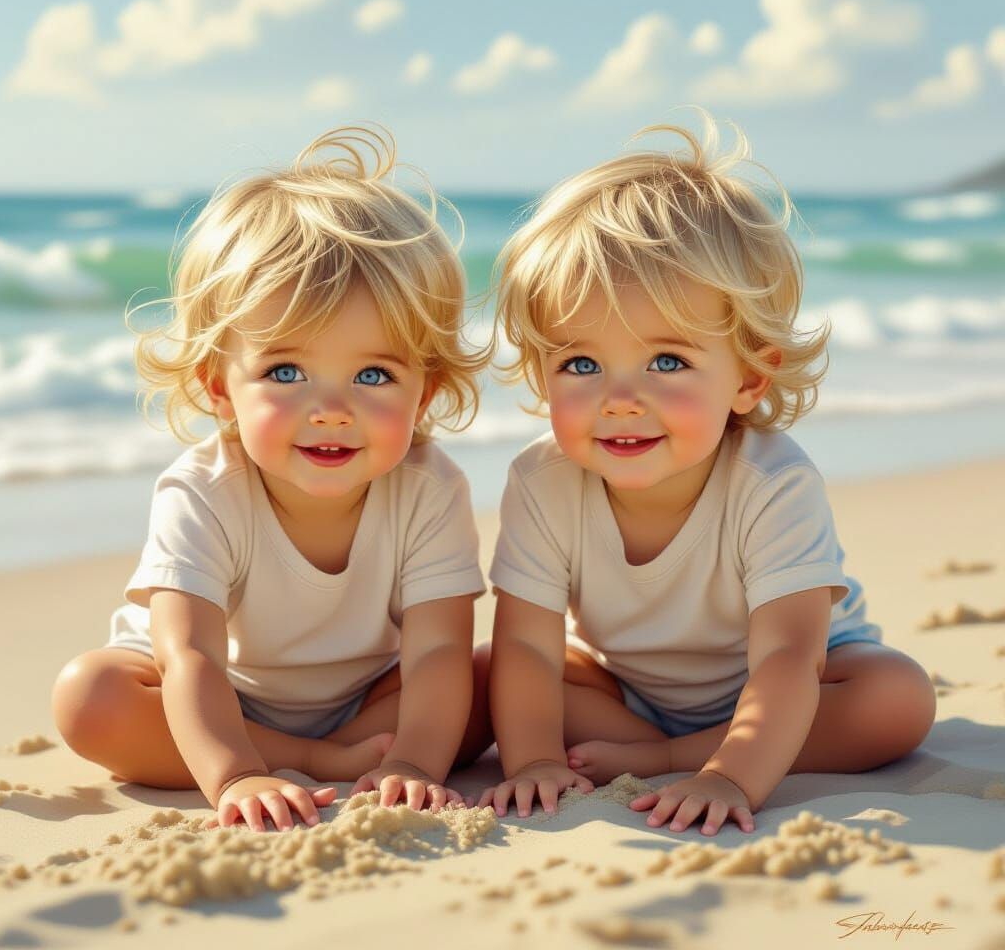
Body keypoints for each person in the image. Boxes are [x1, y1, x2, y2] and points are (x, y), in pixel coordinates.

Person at [479, 113, 936, 836]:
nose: (619, 397)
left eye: (667, 362)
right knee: (493, 669)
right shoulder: (542, 480)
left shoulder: (772, 483)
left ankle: (672, 750)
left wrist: (726, 772)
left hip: (795, 685)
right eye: (580, 363)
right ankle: (645, 740)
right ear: (541, 371)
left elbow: (789, 656)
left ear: (750, 379)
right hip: (623, 687)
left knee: (898, 699)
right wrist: (533, 758)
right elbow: (530, 644)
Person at [52, 126, 493, 831]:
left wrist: (413, 761)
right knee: (91, 697)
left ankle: (355, 750)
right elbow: (189, 653)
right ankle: (316, 757)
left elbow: (436, 649)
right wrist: (236, 775)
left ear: (427, 393)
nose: (332, 411)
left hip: (367, 697)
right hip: (218, 698)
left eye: (373, 374)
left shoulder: (429, 488)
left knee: (487, 676)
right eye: (286, 373)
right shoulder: (203, 491)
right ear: (219, 389)